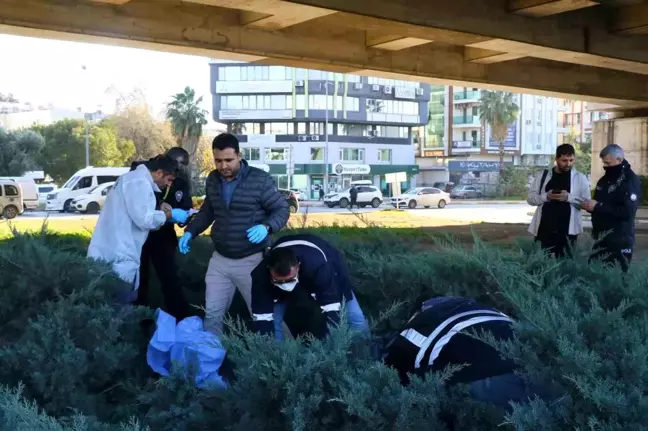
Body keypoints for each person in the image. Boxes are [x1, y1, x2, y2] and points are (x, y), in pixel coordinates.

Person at [179, 133, 290, 335]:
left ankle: (288, 359)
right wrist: (190, 232)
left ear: (239, 155)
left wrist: (267, 226)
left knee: (264, 315)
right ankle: (210, 362)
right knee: (212, 315)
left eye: (228, 160)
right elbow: (208, 211)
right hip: (220, 260)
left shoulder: (259, 180)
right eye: (218, 161)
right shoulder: (213, 179)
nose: (223, 166)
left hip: (253, 260)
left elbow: (282, 209)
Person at [383, 296, 545, 411]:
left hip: (489, 381)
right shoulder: (485, 310)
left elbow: (393, 372)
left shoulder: (420, 325)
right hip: (539, 365)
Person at [88, 155, 189, 303]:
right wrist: (169, 215)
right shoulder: (139, 182)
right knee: (120, 308)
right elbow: (144, 219)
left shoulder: (132, 179)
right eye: (169, 180)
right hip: (119, 254)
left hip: (111, 250)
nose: (168, 185)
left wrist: (160, 211)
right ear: (160, 173)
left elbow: (135, 213)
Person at [250, 234, 370, 340]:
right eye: (280, 282)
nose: (286, 285)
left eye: (290, 280)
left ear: (298, 266)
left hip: (327, 267)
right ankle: (277, 357)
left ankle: (365, 352)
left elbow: (332, 310)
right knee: (274, 321)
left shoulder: (320, 266)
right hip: (278, 279)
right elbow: (262, 318)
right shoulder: (260, 276)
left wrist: (330, 349)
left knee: (355, 317)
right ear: (268, 269)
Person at [134, 147, 194, 319]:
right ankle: (139, 317)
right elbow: (140, 207)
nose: (178, 172)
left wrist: (183, 217)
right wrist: (161, 209)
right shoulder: (146, 174)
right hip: (142, 234)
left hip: (164, 236)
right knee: (139, 278)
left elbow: (185, 207)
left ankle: (180, 318)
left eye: (183, 168)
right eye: (177, 167)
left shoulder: (181, 182)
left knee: (170, 277)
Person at [582, 144, 640, 272]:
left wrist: (599, 206)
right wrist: (591, 206)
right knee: (592, 274)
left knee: (616, 279)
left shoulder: (629, 181)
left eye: (608, 163)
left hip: (620, 240)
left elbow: (627, 211)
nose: (605, 167)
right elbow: (599, 204)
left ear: (618, 160)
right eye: (604, 163)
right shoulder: (604, 180)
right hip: (601, 238)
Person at [527, 144, 590, 257]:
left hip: (568, 231)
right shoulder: (543, 176)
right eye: (564, 160)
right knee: (540, 262)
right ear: (556, 159)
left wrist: (569, 197)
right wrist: (546, 196)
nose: (568, 164)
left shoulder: (580, 178)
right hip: (543, 229)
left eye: (571, 160)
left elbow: (587, 204)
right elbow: (531, 199)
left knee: (565, 265)